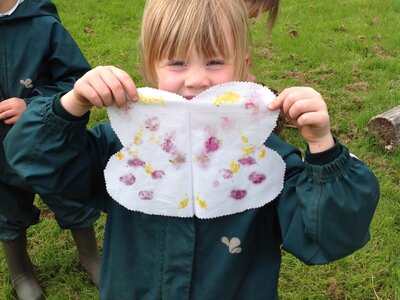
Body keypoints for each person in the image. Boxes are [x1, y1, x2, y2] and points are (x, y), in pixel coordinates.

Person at [4, 0, 379, 298]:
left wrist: (322, 149)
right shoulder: (126, 145)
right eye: (178, 62)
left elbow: (323, 236)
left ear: (244, 67)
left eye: (215, 61)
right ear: (151, 68)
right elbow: (38, 160)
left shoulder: (265, 158)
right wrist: (69, 105)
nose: (197, 79)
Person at [0, 0, 101, 299]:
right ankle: (21, 271)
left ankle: (90, 257)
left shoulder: (43, 26)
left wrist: (31, 106)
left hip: (47, 143)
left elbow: (76, 81)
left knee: (68, 194)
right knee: (6, 206)